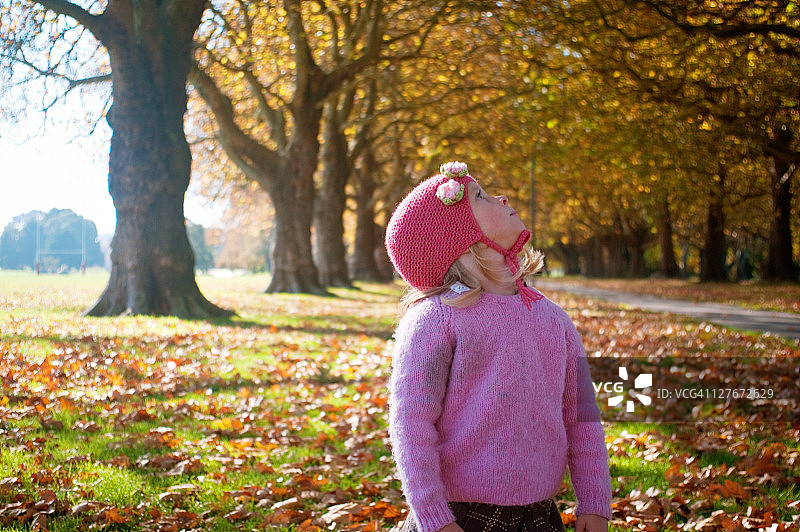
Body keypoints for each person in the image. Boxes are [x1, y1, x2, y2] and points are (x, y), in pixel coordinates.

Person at [384, 161, 612, 532]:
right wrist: (433, 516)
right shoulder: (437, 319)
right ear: (457, 238)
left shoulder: (554, 320)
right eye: (481, 196)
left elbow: (582, 418)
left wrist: (595, 502)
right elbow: (411, 423)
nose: (501, 197)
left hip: (539, 514)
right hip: (459, 515)